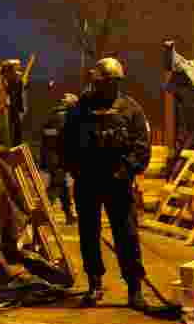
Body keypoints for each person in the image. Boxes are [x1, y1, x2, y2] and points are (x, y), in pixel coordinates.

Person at [62, 57, 152, 310]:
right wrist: (77, 170)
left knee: (127, 236)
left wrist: (126, 171)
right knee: (88, 234)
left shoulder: (130, 109)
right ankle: (94, 284)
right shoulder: (80, 109)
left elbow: (142, 146)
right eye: (104, 83)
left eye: (112, 83)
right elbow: (66, 143)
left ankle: (135, 289)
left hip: (118, 182)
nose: (107, 88)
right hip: (88, 182)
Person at [39, 92, 79, 223]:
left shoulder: (52, 115)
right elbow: (66, 140)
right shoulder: (65, 117)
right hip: (59, 158)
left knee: (62, 186)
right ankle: (43, 214)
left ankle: (68, 215)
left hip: (51, 157)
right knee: (56, 186)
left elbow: (46, 137)